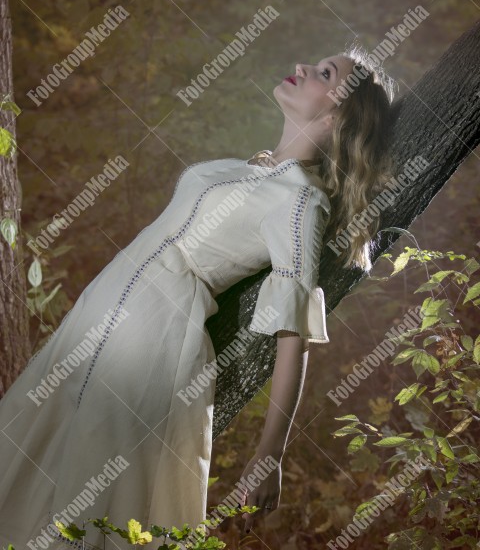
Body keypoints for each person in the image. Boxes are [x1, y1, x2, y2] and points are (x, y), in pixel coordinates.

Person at [0, 46, 396, 549]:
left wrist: (269, 454)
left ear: (340, 114)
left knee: (92, 491)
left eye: (324, 73)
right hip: (99, 314)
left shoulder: (300, 201)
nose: (299, 66)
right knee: (27, 459)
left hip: (155, 337)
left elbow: (293, 334)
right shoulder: (248, 168)